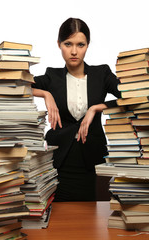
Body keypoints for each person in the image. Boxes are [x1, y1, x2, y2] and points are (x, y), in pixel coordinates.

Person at [32, 17, 121, 201]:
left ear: (88, 45)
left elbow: (133, 96)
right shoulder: (52, 76)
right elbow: (16, 84)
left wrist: (96, 108)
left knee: (96, 220)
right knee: (60, 221)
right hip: (59, 161)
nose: (74, 51)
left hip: (93, 160)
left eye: (80, 45)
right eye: (68, 44)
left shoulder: (102, 74)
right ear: (59, 44)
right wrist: (45, 94)